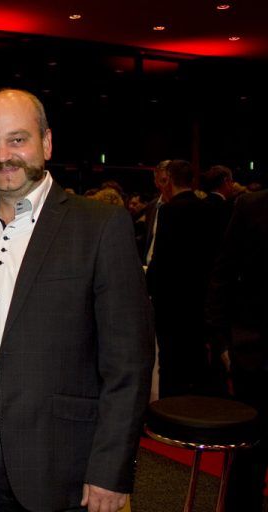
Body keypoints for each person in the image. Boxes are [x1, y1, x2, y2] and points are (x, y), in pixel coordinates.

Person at [0, 89, 154, 512]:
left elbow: (128, 363)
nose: (3, 155)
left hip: (64, 461)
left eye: (17, 139)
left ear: (46, 142)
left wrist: (110, 470)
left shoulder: (99, 226)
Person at [207, 189, 268, 511]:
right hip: (254, 354)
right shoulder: (252, 205)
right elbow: (223, 274)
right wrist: (222, 342)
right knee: (247, 462)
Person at [146, 160, 222, 398]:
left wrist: (149, 290)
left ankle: (170, 411)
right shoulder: (209, 209)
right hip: (199, 296)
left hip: (171, 300)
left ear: (170, 179)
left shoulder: (169, 211)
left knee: (169, 360)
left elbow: (162, 258)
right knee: (196, 357)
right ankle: (197, 408)